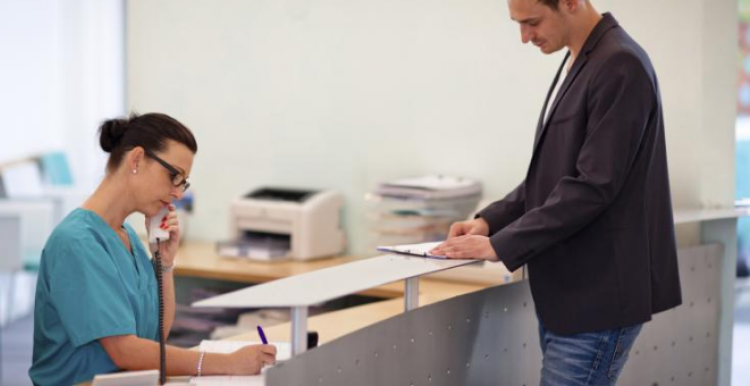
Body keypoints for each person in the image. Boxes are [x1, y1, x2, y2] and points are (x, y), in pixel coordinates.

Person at [431, 0, 682, 385]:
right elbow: (553, 175)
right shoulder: (583, 60)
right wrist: (489, 221)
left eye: (531, 22)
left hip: (599, 298)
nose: (524, 37)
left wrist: (503, 244)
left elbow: (593, 185)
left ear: (570, 3)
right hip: (572, 297)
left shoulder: (620, 64)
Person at [29, 113, 276, 385]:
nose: (179, 194)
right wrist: (226, 363)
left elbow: (156, 336)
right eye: (174, 176)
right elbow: (125, 351)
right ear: (136, 160)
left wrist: (165, 263)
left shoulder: (129, 238)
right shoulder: (77, 243)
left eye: (183, 182)